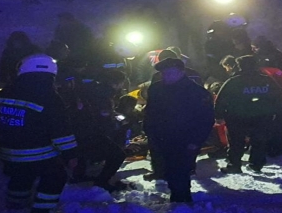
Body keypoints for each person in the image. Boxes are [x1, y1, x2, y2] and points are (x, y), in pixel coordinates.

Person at [0, 54, 78, 213]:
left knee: (21, 175)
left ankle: (15, 205)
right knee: (55, 176)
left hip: (7, 152)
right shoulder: (49, 97)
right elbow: (60, 130)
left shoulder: (5, 92)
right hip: (35, 153)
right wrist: (71, 154)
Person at [143, 57, 215, 203]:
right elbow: (150, 112)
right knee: (169, 170)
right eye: (164, 73)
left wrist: (195, 141)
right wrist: (150, 132)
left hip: (185, 139)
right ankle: (178, 201)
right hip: (161, 138)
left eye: (170, 72)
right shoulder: (156, 89)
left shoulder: (196, 92)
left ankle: (182, 202)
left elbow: (205, 119)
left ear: (181, 72)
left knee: (180, 171)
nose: (166, 76)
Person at [140, 48, 203, 181]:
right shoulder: (194, 74)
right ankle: (189, 168)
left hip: (167, 119)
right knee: (187, 147)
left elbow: (153, 100)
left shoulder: (158, 77)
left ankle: (159, 172)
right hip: (188, 118)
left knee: (159, 149)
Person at [214, 55, 282, 173]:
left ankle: (234, 165)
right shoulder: (266, 80)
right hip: (262, 117)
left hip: (237, 117)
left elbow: (221, 99)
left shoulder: (234, 81)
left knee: (236, 142)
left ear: (240, 66)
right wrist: (274, 112)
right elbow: (278, 97)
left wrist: (219, 115)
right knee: (259, 141)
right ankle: (256, 164)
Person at [70, 69, 133, 192]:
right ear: (117, 83)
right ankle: (102, 181)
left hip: (79, 131)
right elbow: (104, 119)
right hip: (90, 133)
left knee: (84, 152)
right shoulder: (104, 95)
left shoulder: (94, 90)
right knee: (118, 154)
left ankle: (79, 175)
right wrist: (119, 123)